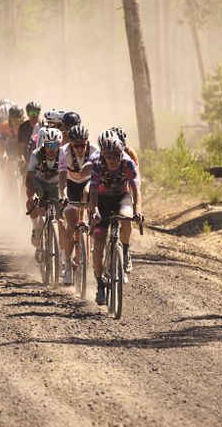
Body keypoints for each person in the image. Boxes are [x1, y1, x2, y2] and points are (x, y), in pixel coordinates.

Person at [88, 133, 142, 306]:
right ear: (103, 155)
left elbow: (135, 190)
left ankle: (124, 252)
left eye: (115, 156)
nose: (112, 160)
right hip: (101, 201)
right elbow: (93, 192)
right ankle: (100, 285)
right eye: (108, 156)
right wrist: (94, 210)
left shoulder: (128, 164)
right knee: (98, 244)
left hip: (121, 197)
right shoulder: (97, 165)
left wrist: (138, 211)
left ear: (121, 155)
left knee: (126, 218)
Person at [58, 124, 98, 287]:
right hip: (70, 184)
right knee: (70, 222)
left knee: (90, 196)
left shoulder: (95, 150)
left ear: (87, 142)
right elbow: (61, 175)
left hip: (88, 183)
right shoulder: (64, 151)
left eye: (83, 144)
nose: (80, 148)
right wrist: (62, 195)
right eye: (76, 145)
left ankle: (92, 233)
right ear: (71, 144)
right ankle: (67, 265)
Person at [24, 127, 63, 270]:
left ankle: (62, 253)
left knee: (61, 216)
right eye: (48, 145)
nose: (52, 149)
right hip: (39, 183)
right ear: (43, 145)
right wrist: (32, 194)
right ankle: (36, 227)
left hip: (56, 185)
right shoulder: (36, 154)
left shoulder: (64, 154)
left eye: (55, 145)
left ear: (60, 145)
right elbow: (28, 178)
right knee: (32, 201)